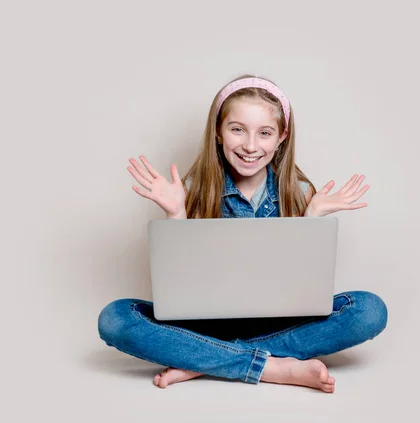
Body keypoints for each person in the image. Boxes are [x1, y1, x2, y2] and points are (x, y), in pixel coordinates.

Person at [98, 75, 388, 393]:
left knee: (370, 310)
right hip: (203, 324)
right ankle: (271, 366)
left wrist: (313, 218)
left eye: (265, 133)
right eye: (237, 129)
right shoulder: (191, 190)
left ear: (281, 137)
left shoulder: (300, 192)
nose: (251, 146)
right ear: (218, 133)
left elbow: (304, 288)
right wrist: (176, 214)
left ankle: (205, 359)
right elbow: (180, 287)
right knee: (115, 318)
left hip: (280, 322)